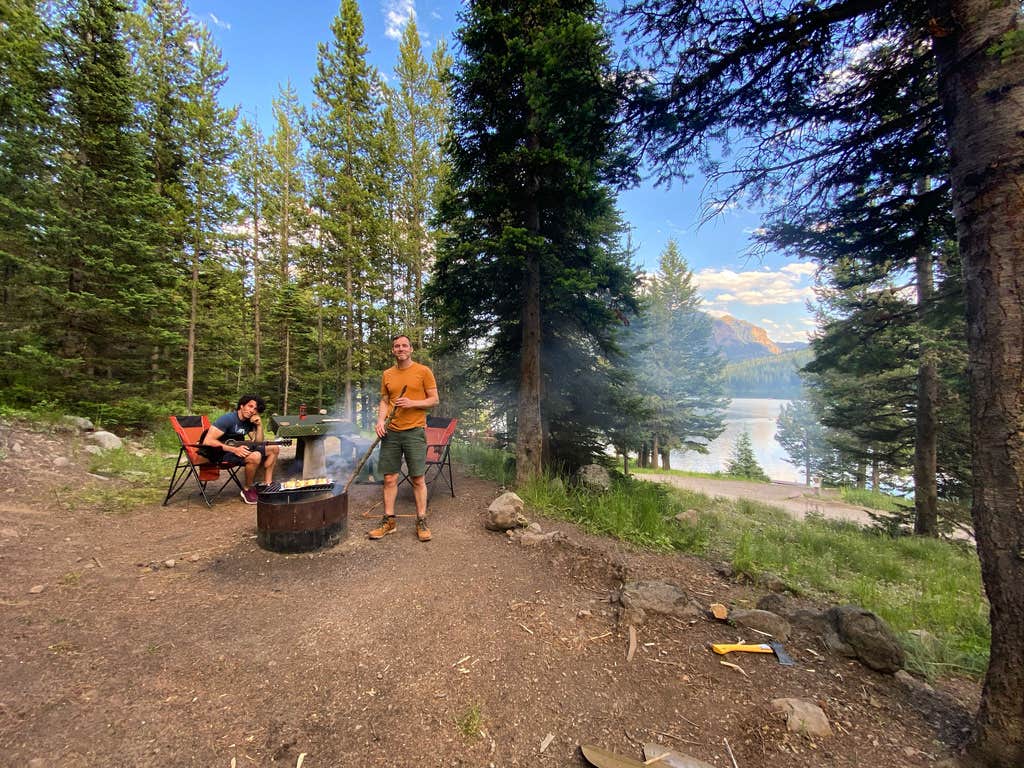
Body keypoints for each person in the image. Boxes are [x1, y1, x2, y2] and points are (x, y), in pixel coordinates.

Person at [368, 334, 440, 542]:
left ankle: (421, 520)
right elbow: (384, 400)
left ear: (411, 349)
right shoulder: (387, 374)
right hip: (391, 432)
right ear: (393, 350)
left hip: (414, 431)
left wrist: (413, 403)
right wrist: (380, 421)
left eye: (404, 345)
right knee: (390, 478)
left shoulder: (423, 371)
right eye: (397, 346)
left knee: (418, 477)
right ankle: (389, 521)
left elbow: (434, 399)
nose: (401, 349)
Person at [202, 394, 280, 505]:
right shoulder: (227, 419)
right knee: (255, 456)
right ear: (242, 405)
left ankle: (268, 484)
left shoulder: (248, 422)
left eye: (255, 409)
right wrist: (234, 450)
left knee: (274, 448)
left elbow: (258, 442)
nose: (252, 410)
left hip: (236, 449)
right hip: (220, 453)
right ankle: (247, 489)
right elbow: (208, 441)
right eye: (250, 406)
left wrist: (259, 425)